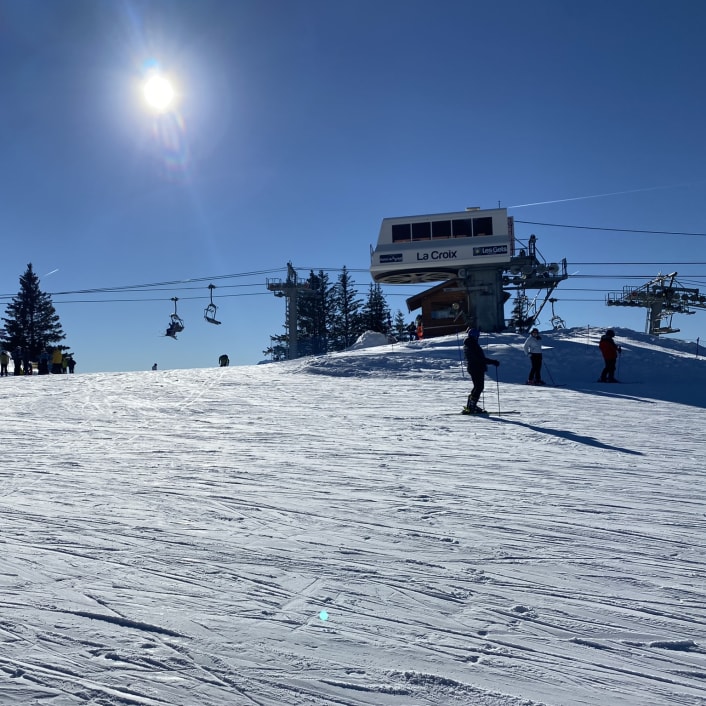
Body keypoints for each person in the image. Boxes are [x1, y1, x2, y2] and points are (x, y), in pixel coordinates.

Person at [463, 328, 500, 414]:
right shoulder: (472, 344)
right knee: (479, 387)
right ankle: (472, 407)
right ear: (475, 336)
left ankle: (471, 406)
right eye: (477, 336)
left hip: (474, 367)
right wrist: (492, 362)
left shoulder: (470, 343)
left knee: (477, 387)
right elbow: (479, 358)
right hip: (476, 368)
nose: (478, 337)